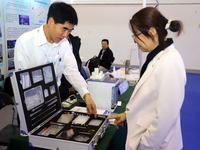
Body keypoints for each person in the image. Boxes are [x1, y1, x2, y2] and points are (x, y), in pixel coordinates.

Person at [107, 7, 186, 150]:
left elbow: (166, 116)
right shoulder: (156, 56)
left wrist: (145, 145)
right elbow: (150, 101)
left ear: (152, 32)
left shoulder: (170, 61)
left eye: (136, 35)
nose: (135, 41)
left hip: (157, 145)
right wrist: (127, 115)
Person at [14, 2, 97, 117]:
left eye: (69, 31)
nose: (65, 35)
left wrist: (86, 95)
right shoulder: (25, 42)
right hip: (31, 104)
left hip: (54, 100)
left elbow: (71, 71)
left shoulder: (64, 44)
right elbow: (23, 82)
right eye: (64, 29)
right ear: (51, 22)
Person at [59, 34, 82, 101]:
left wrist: (76, 85)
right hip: (62, 86)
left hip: (72, 82)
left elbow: (75, 65)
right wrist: (69, 88)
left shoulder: (74, 41)